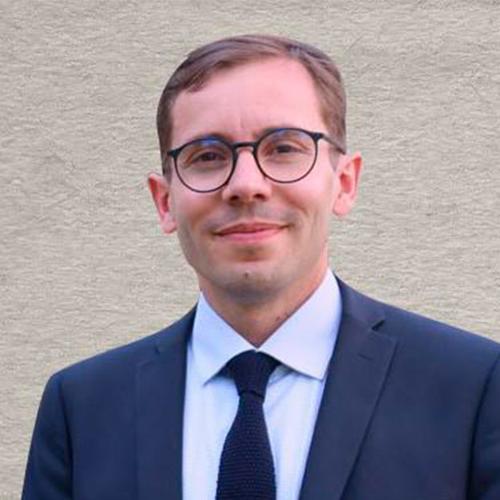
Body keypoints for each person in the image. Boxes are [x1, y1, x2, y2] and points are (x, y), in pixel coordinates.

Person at [22, 34, 500, 500]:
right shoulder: (83, 409)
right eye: (208, 156)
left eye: (284, 148)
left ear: (344, 183)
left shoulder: (473, 388)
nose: (246, 184)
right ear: (165, 202)